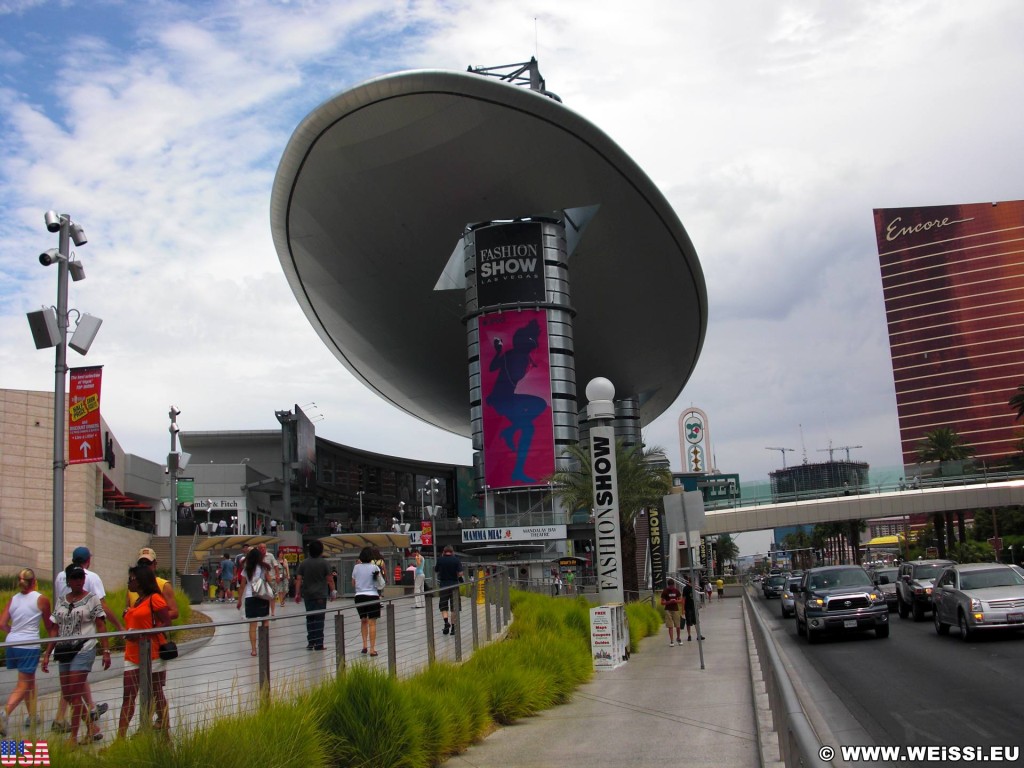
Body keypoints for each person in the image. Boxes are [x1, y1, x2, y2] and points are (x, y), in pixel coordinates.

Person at [51, 546, 119, 731]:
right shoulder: (92, 577)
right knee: (73, 687)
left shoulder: (60, 577)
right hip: (77, 639)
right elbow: (102, 608)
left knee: (74, 685)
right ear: (88, 560)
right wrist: (119, 627)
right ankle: (85, 716)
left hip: (71, 640)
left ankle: (84, 718)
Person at [45, 563, 111, 745]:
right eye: (74, 578)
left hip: (84, 647)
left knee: (74, 691)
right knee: (68, 693)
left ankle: (73, 737)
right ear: (68, 580)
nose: (78, 581)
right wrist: (47, 652)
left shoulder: (92, 599)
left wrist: (106, 650)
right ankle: (91, 727)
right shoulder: (62, 600)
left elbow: (101, 624)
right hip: (64, 649)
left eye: (80, 577)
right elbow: (54, 627)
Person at [485, 318, 548, 484]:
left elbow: (496, 368)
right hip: (501, 400)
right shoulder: (516, 356)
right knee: (529, 428)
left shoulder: (520, 356)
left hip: (509, 399)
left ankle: (511, 431)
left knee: (540, 405)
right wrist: (500, 353)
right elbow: (494, 368)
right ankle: (517, 471)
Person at [0, 568, 55, 737]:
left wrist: (14, 633)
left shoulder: (13, 599)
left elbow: (2, 624)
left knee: (28, 680)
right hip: (29, 645)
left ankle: (32, 716)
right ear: (34, 581)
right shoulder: (42, 599)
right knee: (24, 683)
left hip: (12, 644)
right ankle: (4, 714)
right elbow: (49, 626)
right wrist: (49, 648)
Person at [118, 566, 171, 737]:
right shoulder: (138, 600)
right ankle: (120, 739)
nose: (129, 582)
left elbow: (167, 622)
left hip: (151, 652)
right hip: (133, 653)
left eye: (132, 578)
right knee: (128, 695)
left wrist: (146, 633)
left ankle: (165, 731)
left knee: (156, 692)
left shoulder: (154, 598)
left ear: (141, 581)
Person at [294, 539, 334, 650]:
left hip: (308, 595)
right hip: (320, 595)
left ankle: (311, 642)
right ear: (321, 551)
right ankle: (319, 643)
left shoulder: (304, 563)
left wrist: (297, 593)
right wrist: (333, 592)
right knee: (320, 619)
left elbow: (298, 579)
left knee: (310, 618)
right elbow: (330, 579)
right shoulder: (324, 563)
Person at [237, 547, 271, 656]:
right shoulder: (263, 567)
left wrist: (239, 601)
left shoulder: (246, 569)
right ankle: (264, 645)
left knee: (252, 625)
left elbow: (242, 586)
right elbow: (269, 580)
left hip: (249, 597)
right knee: (265, 621)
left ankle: (253, 650)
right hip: (262, 596)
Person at [352, 547, 383, 656]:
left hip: (359, 597)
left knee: (363, 621)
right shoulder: (375, 568)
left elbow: (353, 583)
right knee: (372, 623)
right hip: (372, 596)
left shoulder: (356, 567)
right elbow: (380, 584)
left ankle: (364, 646)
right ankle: (372, 649)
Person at [435, 545, 463, 636]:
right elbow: (460, 573)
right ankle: (454, 628)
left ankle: (446, 623)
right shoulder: (456, 560)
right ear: (452, 552)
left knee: (443, 606)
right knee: (454, 607)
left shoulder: (440, 560)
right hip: (454, 585)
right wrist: (458, 577)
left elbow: (436, 570)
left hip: (443, 585)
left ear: (444, 551)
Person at [660, 578, 684, 646]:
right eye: (670, 586)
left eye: (672, 586)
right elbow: (662, 602)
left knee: (678, 625)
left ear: (673, 585)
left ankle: (678, 638)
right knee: (670, 626)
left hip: (675, 609)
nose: (671, 587)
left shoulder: (676, 591)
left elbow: (681, 600)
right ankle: (671, 640)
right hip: (668, 610)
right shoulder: (665, 591)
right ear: (668, 585)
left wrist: (675, 601)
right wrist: (668, 602)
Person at [682, 578, 704, 642]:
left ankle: (698, 635)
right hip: (688, 607)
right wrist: (683, 609)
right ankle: (689, 635)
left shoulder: (693, 588)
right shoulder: (686, 588)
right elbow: (683, 598)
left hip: (694, 607)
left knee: (696, 621)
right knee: (688, 622)